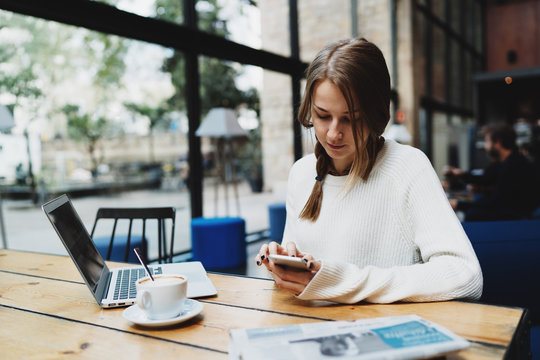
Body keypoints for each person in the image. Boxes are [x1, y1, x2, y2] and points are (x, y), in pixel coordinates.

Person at [255, 37, 482, 303]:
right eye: (323, 115)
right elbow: (306, 280)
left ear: (376, 116)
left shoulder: (407, 166)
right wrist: (284, 265)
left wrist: (340, 282)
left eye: (351, 119)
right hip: (311, 330)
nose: (333, 133)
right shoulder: (301, 173)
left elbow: (465, 276)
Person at [447, 123, 539, 221]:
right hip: (509, 210)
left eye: (487, 141)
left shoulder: (513, 167)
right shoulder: (506, 162)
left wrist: (459, 204)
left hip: (516, 217)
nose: (485, 147)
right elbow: (486, 179)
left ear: (498, 143)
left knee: (471, 215)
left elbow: (497, 201)